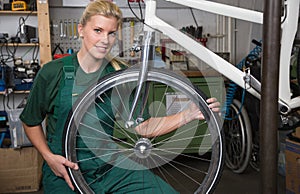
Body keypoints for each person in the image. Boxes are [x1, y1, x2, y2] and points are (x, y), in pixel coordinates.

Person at [20, 0, 221, 193]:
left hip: (109, 167)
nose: (104, 40)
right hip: (64, 169)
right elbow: (30, 121)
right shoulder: (53, 72)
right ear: (81, 30)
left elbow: (143, 126)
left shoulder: (120, 76)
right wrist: (48, 157)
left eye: (111, 33)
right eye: (97, 31)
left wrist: (189, 114)